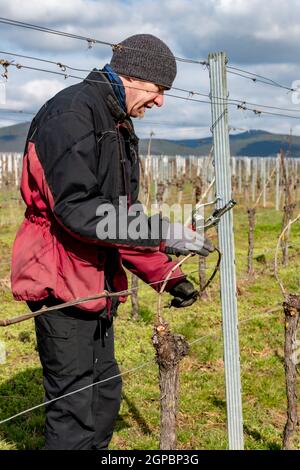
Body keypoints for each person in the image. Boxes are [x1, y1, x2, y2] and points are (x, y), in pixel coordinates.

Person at [11, 34, 214, 450]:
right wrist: (161, 231)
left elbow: (120, 219)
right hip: (61, 284)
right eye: (159, 91)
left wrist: (168, 275)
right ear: (135, 76)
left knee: (103, 399)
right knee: (74, 413)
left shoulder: (116, 124)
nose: (160, 103)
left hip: (95, 284)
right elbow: (78, 211)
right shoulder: (72, 114)